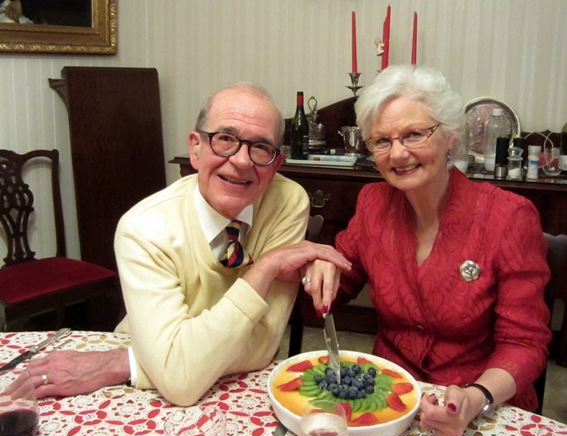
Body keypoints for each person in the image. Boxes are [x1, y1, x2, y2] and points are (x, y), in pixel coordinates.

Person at [16, 82, 351, 406]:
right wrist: (265, 268)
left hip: (206, 380)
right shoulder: (143, 228)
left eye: (261, 147)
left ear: (276, 163)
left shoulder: (287, 201)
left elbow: (262, 344)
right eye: (225, 139)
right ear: (195, 148)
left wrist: (134, 362)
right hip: (145, 389)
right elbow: (180, 384)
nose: (242, 161)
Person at [303, 65, 551, 436]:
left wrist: (474, 398)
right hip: (391, 400)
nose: (398, 153)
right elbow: (341, 277)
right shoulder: (373, 203)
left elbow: (525, 344)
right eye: (381, 141)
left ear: (449, 137)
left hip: (481, 405)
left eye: (414, 134)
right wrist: (321, 263)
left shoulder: (508, 217)